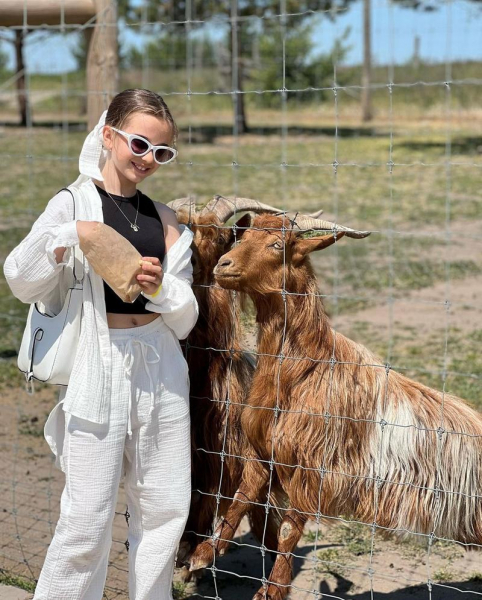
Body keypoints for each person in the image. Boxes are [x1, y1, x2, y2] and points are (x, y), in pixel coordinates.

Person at [3, 88, 199, 600]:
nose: (148, 159)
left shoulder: (168, 221)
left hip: (160, 365)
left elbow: (186, 317)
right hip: (100, 362)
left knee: (164, 507)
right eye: (139, 144)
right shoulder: (74, 203)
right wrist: (72, 234)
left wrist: (158, 287)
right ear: (108, 136)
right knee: (87, 517)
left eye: (162, 152)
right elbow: (20, 278)